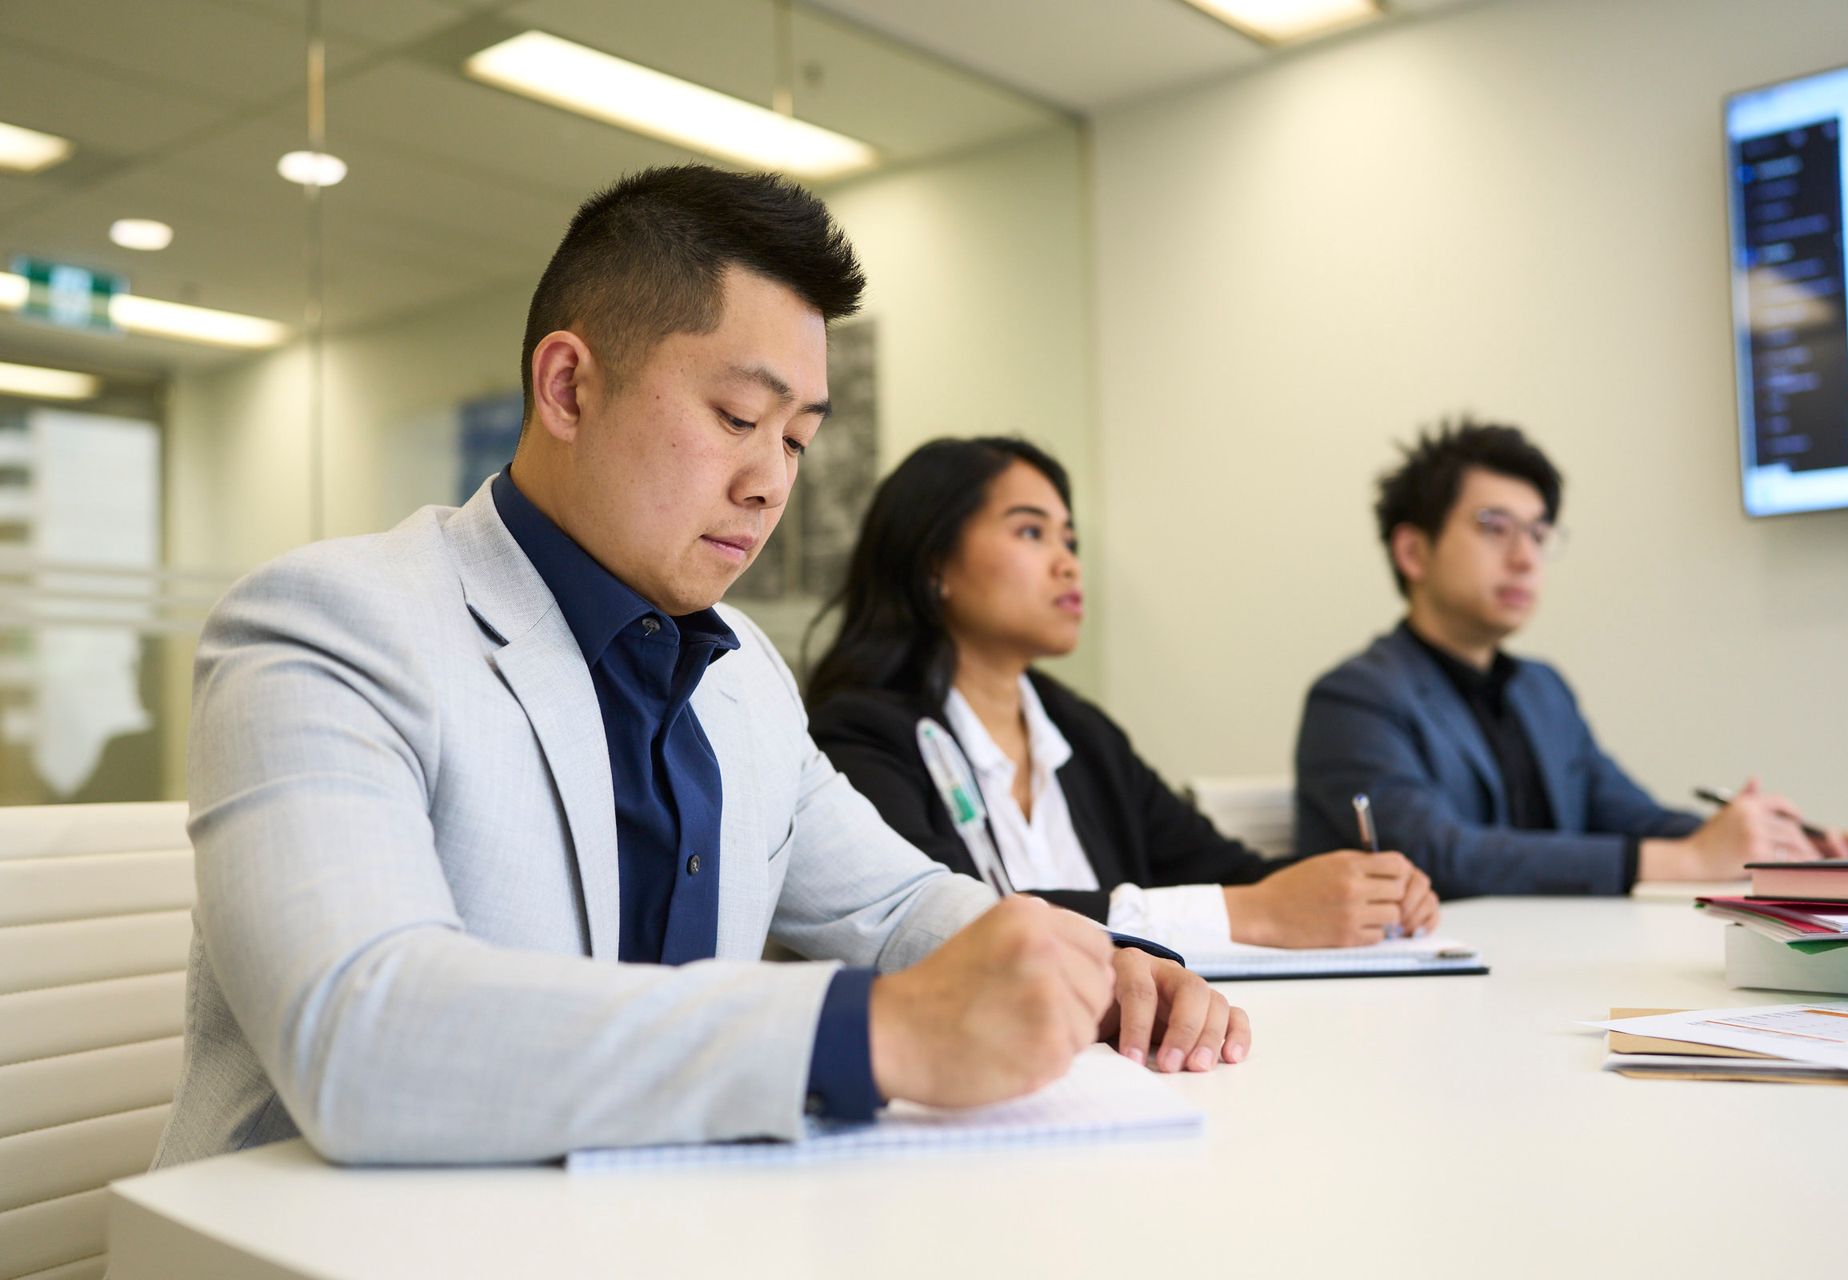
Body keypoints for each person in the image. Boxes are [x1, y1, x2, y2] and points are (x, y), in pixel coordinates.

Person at [153, 167, 1248, 1171]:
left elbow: (897, 899)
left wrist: (1096, 965)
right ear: (569, 387)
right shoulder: (329, 625)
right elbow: (360, 1029)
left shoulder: (740, 673)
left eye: (797, 439)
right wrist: (873, 1031)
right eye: (736, 417)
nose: (772, 482)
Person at [805, 436, 1438, 951]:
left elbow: (1229, 874)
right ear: (932, 562)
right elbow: (936, 919)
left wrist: (1362, 889)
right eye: (1032, 533)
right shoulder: (861, 732)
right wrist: (1251, 912)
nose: (1069, 563)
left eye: (1070, 540)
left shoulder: (1079, 732)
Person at [1294, 418, 1848, 898]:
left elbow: (1630, 814)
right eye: (1495, 528)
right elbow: (1438, 855)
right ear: (1413, 551)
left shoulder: (1542, 690)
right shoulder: (1354, 698)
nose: (1527, 557)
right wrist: (1686, 861)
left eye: (1539, 533)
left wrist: (1775, 844)